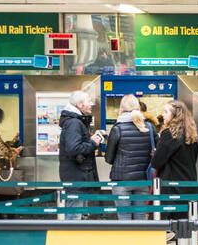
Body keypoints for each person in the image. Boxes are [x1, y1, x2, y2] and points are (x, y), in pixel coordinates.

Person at [57, 90, 106, 219]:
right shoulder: (74, 123)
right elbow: (74, 148)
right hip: (77, 176)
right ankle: (71, 239)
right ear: (80, 104)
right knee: (74, 216)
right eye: (89, 101)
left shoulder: (75, 121)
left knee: (78, 215)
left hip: (78, 175)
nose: (92, 104)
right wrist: (93, 143)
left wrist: (90, 141)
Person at [105, 94, 153, 218]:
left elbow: (109, 159)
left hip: (121, 180)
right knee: (140, 216)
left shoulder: (117, 129)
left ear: (121, 109)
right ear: (138, 108)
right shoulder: (149, 128)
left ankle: (127, 238)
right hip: (143, 179)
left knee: (124, 217)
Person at [152, 100, 198, 183]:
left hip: (172, 185)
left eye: (166, 112)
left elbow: (156, 163)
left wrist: (154, 153)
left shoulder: (169, 134)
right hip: (189, 182)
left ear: (175, 115)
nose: (162, 114)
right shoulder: (191, 134)